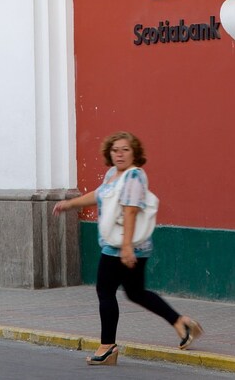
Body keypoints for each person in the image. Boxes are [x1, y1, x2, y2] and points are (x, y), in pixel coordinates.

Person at [53, 131, 203, 365]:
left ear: (135, 153)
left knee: (105, 291)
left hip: (121, 246)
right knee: (135, 292)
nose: (119, 154)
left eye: (125, 150)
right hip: (127, 245)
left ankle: (107, 347)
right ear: (109, 153)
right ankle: (180, 322)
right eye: (115, 150)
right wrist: (69, 204)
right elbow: (99, 195)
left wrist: (125, 248)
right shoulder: (113, 174)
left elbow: (130, 211)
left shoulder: (134, 177)